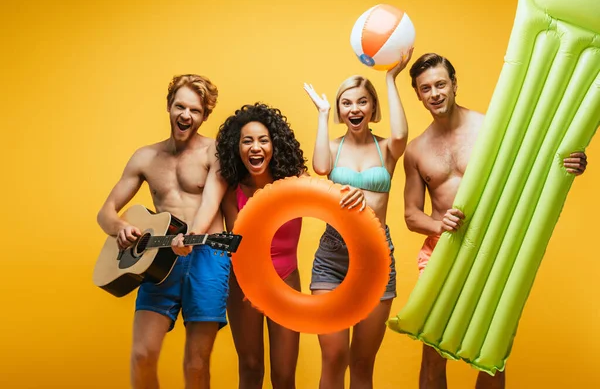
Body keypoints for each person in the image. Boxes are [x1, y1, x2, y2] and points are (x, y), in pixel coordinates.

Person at [403, 52, 589, 389]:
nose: (435, 93)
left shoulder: (490, 127)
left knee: (490, 353)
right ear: (418, 94)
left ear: (454, 84)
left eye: (440, 84)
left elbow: (535, 161)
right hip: (440, 252)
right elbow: (411, 214)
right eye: (426, 88)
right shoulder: (416, 150)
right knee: (432, 350)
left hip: (491, 251)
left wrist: (570, 160)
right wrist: (438, 226)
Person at [217, 103, 365, 389]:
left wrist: (353, 192)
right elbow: (240, 239)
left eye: (263, 140)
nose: (255, 147)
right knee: (250, 369)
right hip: (244, 281)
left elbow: (330, 196)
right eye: (247, 141)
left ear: (275, 145)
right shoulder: (230, 189)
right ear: (237, 147)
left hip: (285, 279)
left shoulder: (294, 183)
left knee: (284, 376)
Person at [96, 74, 230, 389]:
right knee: (142, 355)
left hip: (207, 256)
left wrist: (192, 234)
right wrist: (120, 228)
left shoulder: (215, 151)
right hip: (158, 260)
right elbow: (105, 213)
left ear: (204, 116)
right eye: (180, 107)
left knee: (196, 365)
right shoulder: (145, 157)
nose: (186, 115)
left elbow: (211, 201)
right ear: (169, 106)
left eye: (195, 111)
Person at [303, 50, 412, 389]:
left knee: (363, 363)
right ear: (340, 110)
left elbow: (401, 132)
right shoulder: (334, 148)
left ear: (372, 108)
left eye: (362, 102)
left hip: (377, 256)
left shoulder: (387, 148)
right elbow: (320, 167)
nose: (354, 109)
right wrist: (322, 116)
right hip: (333, 257)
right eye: (346, 103)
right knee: (334, 356)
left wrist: (390, 79)